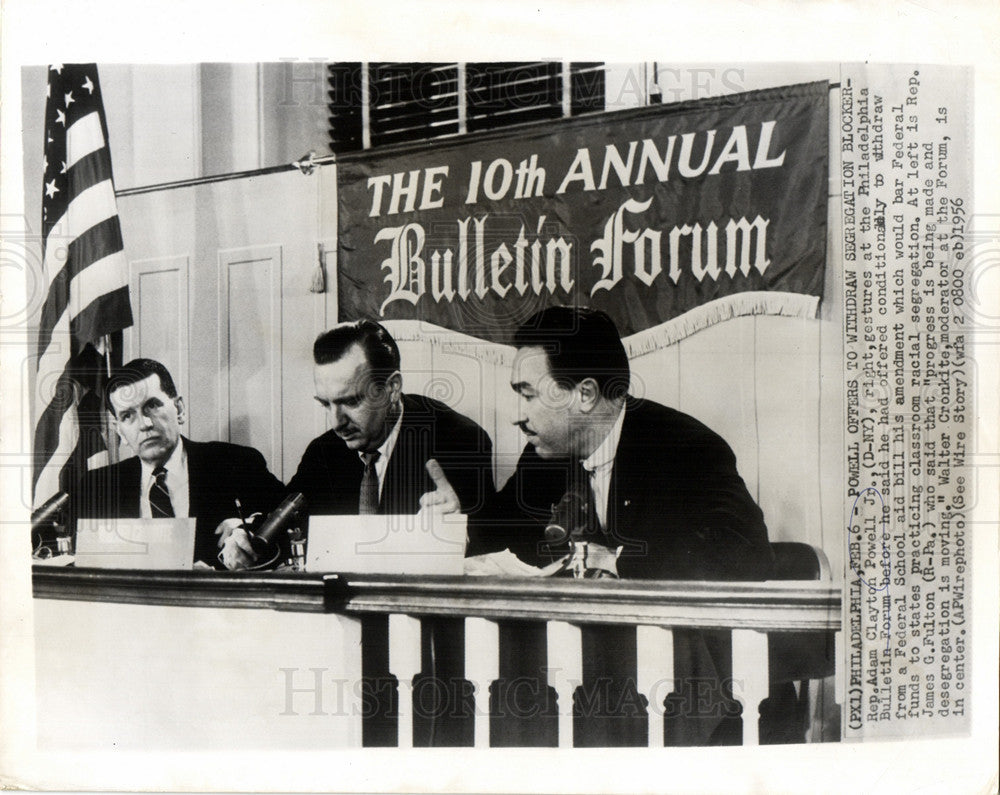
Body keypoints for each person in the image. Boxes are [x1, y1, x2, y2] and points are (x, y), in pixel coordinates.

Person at [466, 305, 786, 746]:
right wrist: (458, 517)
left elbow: (745, 554)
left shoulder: (685, 448)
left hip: (696, 691)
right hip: (589, 676)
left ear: (584, 393)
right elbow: (498, 539)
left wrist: (615, 559)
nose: (517, 416)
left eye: (529, 395)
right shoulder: (543, 455)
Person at [237, 319, 495, 746]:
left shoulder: (458, 442)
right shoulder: (325, 452)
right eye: (325, 403)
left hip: (426, 657)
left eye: (351, 401)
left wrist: (456, 528)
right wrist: (249, 542)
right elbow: (280, 529)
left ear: (392, 387)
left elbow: (485, 553)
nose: (336, 421)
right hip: (337, 653)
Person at [69, 358, 286, 570]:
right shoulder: (97, 485)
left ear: (179, 409)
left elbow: (292, 521)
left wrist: (247, 530)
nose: (145, 424)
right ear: (120, 432)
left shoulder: (235, 463)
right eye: (128, 416)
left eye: (152, 406)